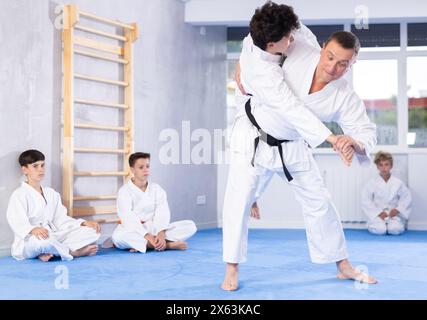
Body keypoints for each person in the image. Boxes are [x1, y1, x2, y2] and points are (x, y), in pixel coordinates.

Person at [221, 2, 377, 291]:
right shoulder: (299, 44)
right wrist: (243, 65)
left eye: (343, 63)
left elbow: (366, 131)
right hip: (254, 135)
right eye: (330, 56)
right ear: (322, 47)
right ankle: (231, 268)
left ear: (352, 63)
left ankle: (343, 265)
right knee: (238, 199)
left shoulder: (344, 95)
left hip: (293, 146)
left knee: (320, 202)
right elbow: (255, 37)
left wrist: (354, 142)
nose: (333, 67)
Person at [6, 149, 101, 262]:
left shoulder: (51, 193)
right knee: (41, 243)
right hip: (31, 239)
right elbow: (17, 221)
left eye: (42, 165)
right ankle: (73, 252)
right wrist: (32, 229)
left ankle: (50, 252)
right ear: (25, 169)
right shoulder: (19, 194)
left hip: (54, 235)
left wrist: (83, 223)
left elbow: (61, 219)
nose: (40, 169)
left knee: (93, 232)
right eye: (35, 166)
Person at [110, 152, 197, 253]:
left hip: (154, 227)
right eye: (141, 167)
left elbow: (163, 212)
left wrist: (161, 233)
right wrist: (147, 236)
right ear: (132, 170)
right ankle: (167, 245)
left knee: (190, 226)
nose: (145, 170)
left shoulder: (157, 189)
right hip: (134, 229)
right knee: (118, 238)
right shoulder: (124, 191)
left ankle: (147, 244)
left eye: (147, 166)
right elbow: (127, 218)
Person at [362, 151, 412, 235]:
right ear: (377, 167)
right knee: (380, 230)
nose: (383, 168)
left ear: (391, 166)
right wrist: (378, 213)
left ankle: (391, 225)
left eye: (386, 164)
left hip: (393, 214)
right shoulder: (372, 183)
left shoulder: (398, 183)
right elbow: (366, 200)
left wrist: (397, 210)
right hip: (378, 214)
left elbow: (406, 198)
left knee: (395, 230)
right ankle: (376, 224)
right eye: (380, 165)